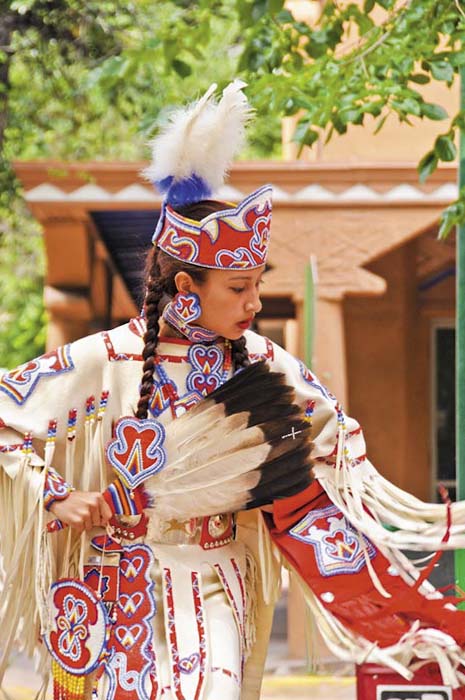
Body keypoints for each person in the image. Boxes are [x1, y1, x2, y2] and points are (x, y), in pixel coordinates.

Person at [2, 81, 465, 700]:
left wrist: (316, 455)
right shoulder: (104, 358)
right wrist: (58, 497)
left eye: (255, 285)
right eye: (238, 287)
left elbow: (337, 441)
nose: (253, 302)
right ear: (187, 288)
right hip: (116, 587)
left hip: (218, 580)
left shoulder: (264, 363)